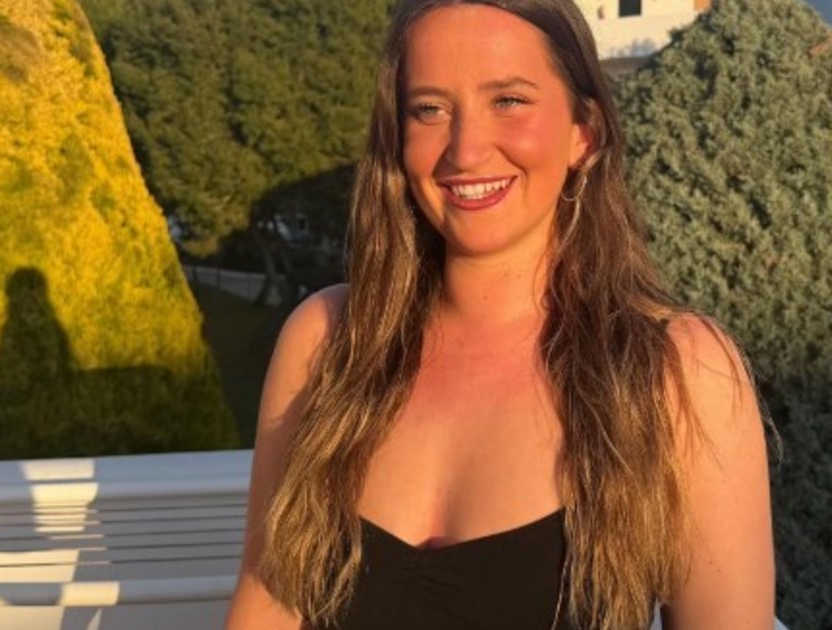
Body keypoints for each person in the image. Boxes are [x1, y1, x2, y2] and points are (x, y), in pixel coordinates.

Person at [226, 1, 774, 628]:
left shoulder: (678, 371)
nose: (465, 150)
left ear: (585, 131)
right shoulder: (330, 341)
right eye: (429, 110)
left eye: (508, 100)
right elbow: (267, 604)